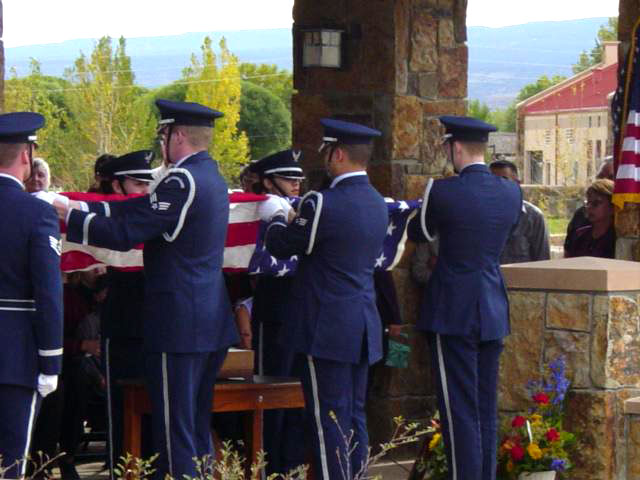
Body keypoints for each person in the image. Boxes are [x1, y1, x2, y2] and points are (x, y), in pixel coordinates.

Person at [53, 99, 239, 480]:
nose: (162, 142)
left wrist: (68, 216)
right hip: (207, 321)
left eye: (163, 134)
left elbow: (128, 232)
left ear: (178, 135)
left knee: (176, 434)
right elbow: (136, 213)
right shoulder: (212, 178)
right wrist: (79, 209)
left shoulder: (182, 180)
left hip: (180, 326)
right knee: (193, 426)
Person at [261, 119, 388, 479]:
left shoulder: (320, 201)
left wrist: (276, 218)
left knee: (326, 419)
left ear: (339, 153)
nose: (326, 160)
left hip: (326, 327)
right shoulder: (377, 201)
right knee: (354, 416)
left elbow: (284, 246)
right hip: (362, 322)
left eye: (328, 152)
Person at [408, 116, 521, 480]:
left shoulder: (441, 191)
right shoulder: (510, 190)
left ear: (455, 147)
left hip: (452, 309)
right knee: (486, 409)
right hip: (491, 306)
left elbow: (420, 231)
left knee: (459, 411)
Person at [0, 112, 63, 478]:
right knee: (10, 464)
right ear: (26, 154)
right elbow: (49, 293)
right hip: (16, 356)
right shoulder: (36, 212)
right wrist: (51, 362)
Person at [91, 150, 155, 478]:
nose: (145, 190)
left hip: (157, 327)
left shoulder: (154, 214)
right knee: (122, 413)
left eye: (148, 183)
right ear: (117, 186)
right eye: (137, 183)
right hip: (124, 327)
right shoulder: (110, 218)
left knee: (155, 418)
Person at [248, 149, 306, 475]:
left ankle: (292, 466)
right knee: (270, 397)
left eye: (299, 178)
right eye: (289, 178)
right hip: (273, 312)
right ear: (269, 181)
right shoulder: (263, 209)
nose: (296, 185)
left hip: (299, 313)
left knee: (297, 397)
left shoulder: (303, 209)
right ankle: (269, 466)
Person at [489, 159, 550, 263]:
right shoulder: (480, 214)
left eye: (504, 180)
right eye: (492, 181)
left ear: (517, 183)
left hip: (521, 278)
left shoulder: (533, 217)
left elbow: (542, 261)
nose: (497, 185)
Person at [564, 156, 614, 254]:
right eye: (588, 203)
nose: (589, 208)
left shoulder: (617, 238)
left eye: (596, 203)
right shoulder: (580, 234)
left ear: (612, 207)